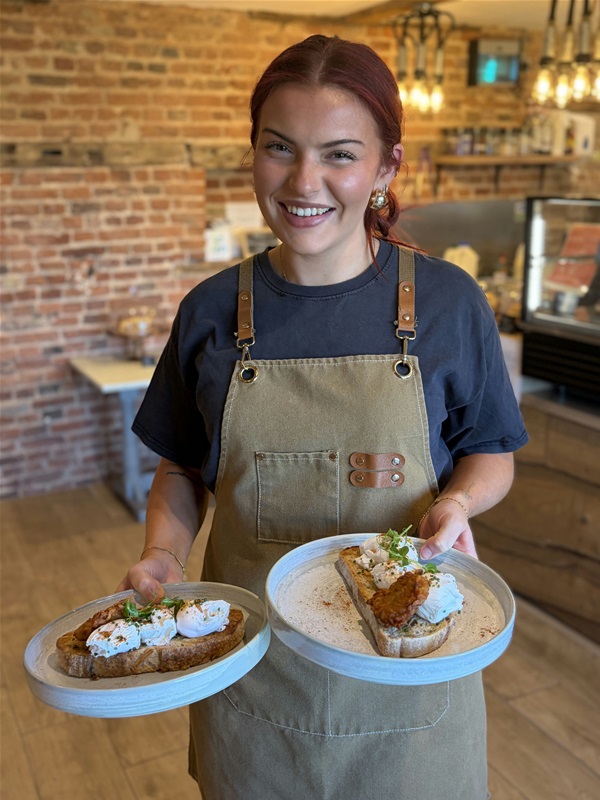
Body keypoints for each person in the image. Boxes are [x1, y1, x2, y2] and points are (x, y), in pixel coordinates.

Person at [118, 34, 528, 800]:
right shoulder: (210, 311)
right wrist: (165, 555)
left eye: (340, 154)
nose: (305, 181)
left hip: (411, 692)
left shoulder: (447, 303)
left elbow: (492, 452)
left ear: (386, 167)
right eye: (279, 147)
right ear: (252, 155)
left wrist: (457, 500)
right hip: (255, 682)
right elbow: (181, 465)